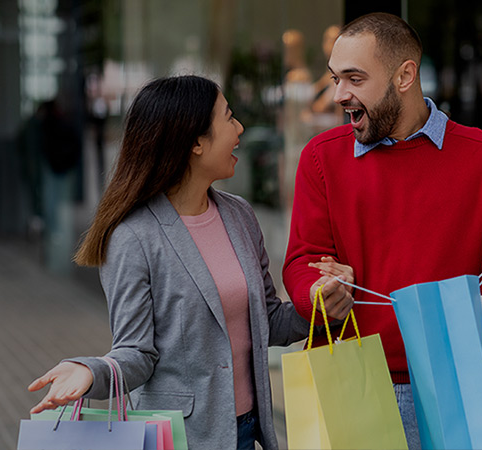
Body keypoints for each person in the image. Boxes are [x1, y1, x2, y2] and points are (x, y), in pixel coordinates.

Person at [282, 13, 482, 449]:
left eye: (354, 78)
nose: (338, 95)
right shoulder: (321, 159)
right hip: (357, 379)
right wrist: (318, 291)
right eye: (335, 78)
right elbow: (301, 261)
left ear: (405, 75)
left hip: (461, 384)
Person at [26, 75, 311, 450]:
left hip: (247, 431)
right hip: (180, 437)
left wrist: (323, 306)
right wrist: (90, 371)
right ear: (194, 142)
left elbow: (267, 321)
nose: (240, 128)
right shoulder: (133, 236)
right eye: (228, 118)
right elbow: (135, 353)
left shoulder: (239, 216)